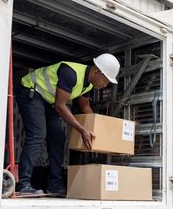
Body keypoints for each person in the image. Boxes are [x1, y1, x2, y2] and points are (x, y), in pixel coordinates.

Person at [16, 53, 120, 196]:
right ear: (97, 72)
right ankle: (23, 184)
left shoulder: (88, 85)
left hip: (48, 100)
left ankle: (55, 186)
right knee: (38, 134)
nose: (105, 85)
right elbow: (60, 105)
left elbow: (85, 107)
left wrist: (100, 129)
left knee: (58, 138)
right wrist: (82, 130)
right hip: (31, 90)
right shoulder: (70, 73)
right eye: (106, 80)